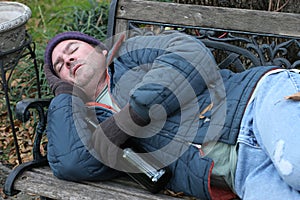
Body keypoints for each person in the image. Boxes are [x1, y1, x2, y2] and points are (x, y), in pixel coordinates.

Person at [43, 30, 300, 200]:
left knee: (296, 168)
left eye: (72, 49)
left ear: (100, 50)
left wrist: (131, 117)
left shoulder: (130, 54)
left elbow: (190, 54)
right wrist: (65, 95)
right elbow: (72, 162)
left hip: (255, 102)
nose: (67, 60)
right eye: (59, 66)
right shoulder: (88, 120)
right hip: (241, 169)